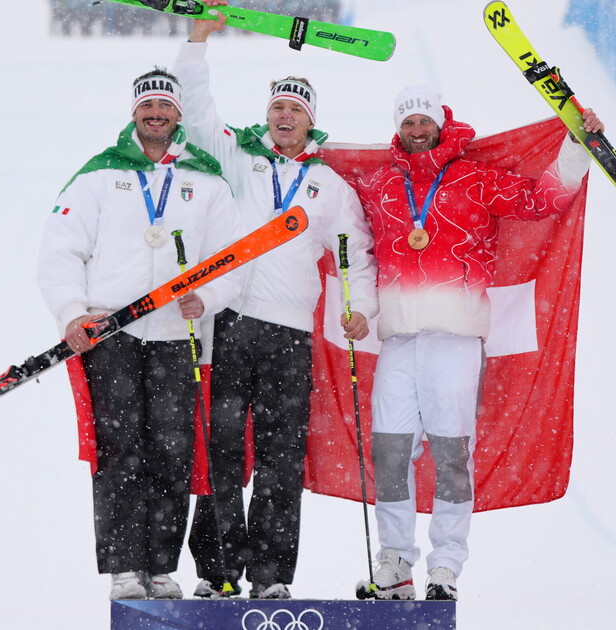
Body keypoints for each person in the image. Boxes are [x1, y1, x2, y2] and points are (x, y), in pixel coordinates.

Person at [352, 85, 603, 601]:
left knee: (450, 453)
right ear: (397, 129)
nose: (416, 130)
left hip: (456, 339)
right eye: (407, 123)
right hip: (398, 340)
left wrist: (578, 145)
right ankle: (395, 562)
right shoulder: (380, 185)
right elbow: (340, 215)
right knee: (390, 453)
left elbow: (540, 201)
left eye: (424, 121)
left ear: (440, 124)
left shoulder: (472, 178)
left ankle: (445, 565)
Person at [171, 1, 377, 600]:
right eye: (278, 108)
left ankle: (270, 578)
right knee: (221, 450)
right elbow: (198, 114)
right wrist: (197, 41)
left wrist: (361, 307)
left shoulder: (328, 185)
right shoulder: (240, 159)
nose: (285, 117)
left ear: (311, 122)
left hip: (290, 335)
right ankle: (217, 573)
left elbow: (356, 253)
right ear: (267, 117)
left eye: (296, 110)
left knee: (281, 459)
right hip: (232, 324)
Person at [36, 68, 243, 601]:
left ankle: (160, 567)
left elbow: (233, 260)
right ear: (134, 112)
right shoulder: (99, 174)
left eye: (165, 105)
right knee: (120, 449)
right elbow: (60, 250)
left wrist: (209, 298)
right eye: (147, 105)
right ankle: (125, 568)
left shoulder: (207, 180)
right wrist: (72, 313)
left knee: (172, 451)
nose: (156, 113)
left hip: (178, 334)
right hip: (113, 334)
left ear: (178, 114)